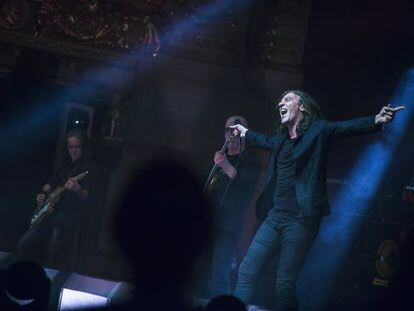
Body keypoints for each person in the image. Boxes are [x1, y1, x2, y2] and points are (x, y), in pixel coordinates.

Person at [229, 90, 404, 310]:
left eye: (287, 99)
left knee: (284, 281)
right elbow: (261, 139)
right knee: (246, 270)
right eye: (281, 100)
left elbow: (343, 128)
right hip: (274, 218)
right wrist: (244, 132)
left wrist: (375, 120)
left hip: (301, 220)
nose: (280, 103)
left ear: (302, 107)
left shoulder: (318, 131)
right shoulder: (281, 141)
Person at [17, 128, 93, 268]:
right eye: (71, 147)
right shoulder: (65, 164)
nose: (74, 151)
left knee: (53, 255)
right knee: (23, 244)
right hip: (50, 213)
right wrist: (42, 194)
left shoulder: (89, 168)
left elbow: (87, 196)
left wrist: (77, 189)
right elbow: (50, 183)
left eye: (77, 147)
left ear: (83, 146)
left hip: (68, 216)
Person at [201, 116, 259, 298]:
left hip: (228, 227)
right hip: (208, 222)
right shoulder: (218, 160)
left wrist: (225, 164)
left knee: (219, 272)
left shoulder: (251, 163)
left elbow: (244, 187)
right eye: (229, 130)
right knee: (200, 270)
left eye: (237, 130)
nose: (232, 134)